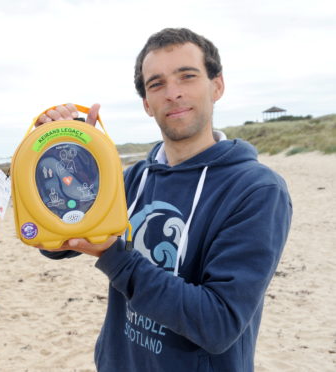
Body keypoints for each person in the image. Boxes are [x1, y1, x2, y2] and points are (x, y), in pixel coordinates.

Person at [35, 28, 292, 371]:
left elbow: (218, 324)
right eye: (156, 84)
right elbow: (55, 244)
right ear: (146, 103)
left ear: (217, 86)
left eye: (187, 76)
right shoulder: (133, 178)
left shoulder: (256, 190)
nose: (173, 93)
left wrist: (116, 256)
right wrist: (63, 157)